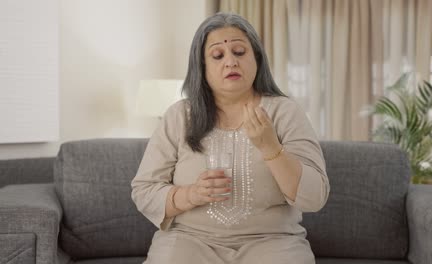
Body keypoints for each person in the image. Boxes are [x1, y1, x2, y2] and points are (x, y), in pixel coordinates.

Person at [131, 12, 330, 264]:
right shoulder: (179, 116)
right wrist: (191, 194)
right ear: (201, 67)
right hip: (189, 240)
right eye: (217, 55)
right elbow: (144, 190)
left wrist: (271, 149)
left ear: (256, 58)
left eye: (239, 52)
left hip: (272, 241)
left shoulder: (285, 112)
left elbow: (314, 197)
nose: (230, 62)